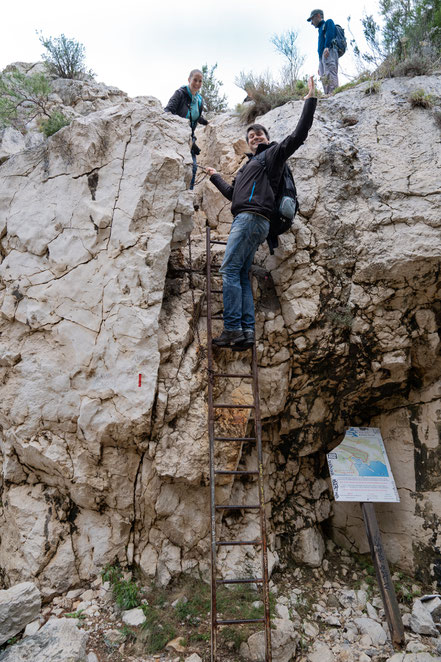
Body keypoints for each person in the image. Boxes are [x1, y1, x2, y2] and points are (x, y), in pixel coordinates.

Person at [206, 76, 317, 350]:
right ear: (248, 142)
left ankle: (231, 328)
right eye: (251, 135)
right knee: (241, 274)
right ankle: (246, 333)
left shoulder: (272, 156)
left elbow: (299, 136)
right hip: (255, 223)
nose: (256, 137)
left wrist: (310, 100)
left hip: (250, 220)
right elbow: (234, 195)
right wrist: (215, 177)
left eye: (260, 135)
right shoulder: (248, 167)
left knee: (229, 270)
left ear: (267, 139)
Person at [164, 69, 208, 189]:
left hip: (190, 137)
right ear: (189, 80)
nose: (197, 83)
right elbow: (168, 111)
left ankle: (189, 197)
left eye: (200, 81)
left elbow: (196, 116)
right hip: (176, 136)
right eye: (195, 80)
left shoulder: (199, 100)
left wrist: (205, 122)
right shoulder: (180, 93)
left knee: (193, 167)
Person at [307, 9, 339, 95]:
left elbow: (330, 33)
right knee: (324, 76)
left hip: (329, 52)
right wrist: (320, 62)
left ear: (318, 16)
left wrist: (327, 47)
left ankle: (333, 94)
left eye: (312, 19)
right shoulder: (320, 29)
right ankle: (328, 95)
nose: (312, 23)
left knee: (330, 73)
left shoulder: (328, 22)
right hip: (322, 57)